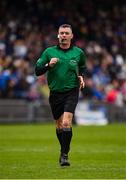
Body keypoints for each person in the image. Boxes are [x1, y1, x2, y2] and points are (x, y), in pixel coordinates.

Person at [35, 24, 86, 166]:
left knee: (66, 122)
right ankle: (63, 149)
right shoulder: (49, 52)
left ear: (71, 36)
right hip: (55, 92)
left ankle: (64, 155)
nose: (63, 35)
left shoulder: (78, 53)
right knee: (59, 125)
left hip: (72, 91)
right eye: (61, 33)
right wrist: (48, 66)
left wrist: (81, 76)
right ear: (58, 35)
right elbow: (37, 71)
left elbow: (82, 67)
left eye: (66, 33)